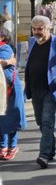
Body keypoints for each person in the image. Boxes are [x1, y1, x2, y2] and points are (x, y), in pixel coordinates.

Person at [24, 15, 56, 169]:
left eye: (40, 29)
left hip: (51, 89)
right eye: (34, 29)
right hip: (35, 88)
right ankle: (51, 149)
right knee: (40, 122)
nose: (37, 32)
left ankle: (44, 155)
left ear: (48, 28)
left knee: (47, 121)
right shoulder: (32, 41)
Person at [0, 28, 26, 160]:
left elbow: (5, 74)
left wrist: (5, 62)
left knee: (11, 117)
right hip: (1, 89)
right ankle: (3, 146)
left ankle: (12, 146)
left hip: (10, 88)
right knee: (2, 117)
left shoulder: (5, 49)